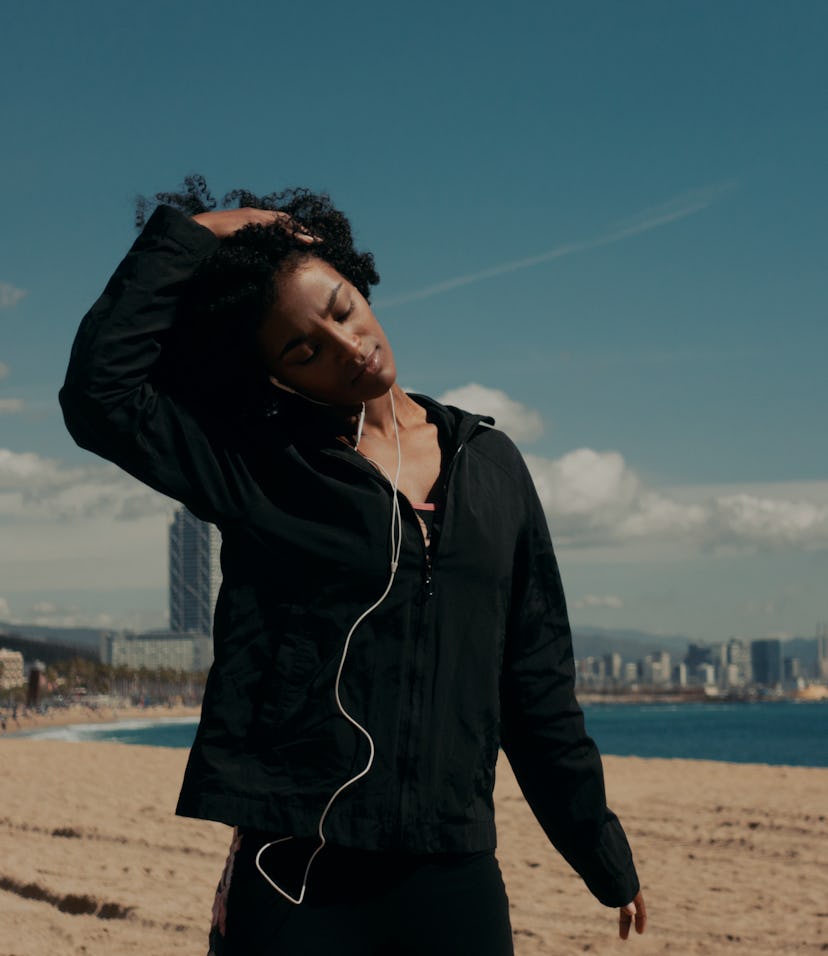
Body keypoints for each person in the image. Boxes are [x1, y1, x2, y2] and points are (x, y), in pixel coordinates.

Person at [60, 176, 646, 955]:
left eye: (342, 311)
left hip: (453, 866)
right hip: (296, 870)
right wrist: (199, 233)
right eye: (306, 350)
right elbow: (101, 394)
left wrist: (600, 852)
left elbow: (534, 683)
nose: (348, 347)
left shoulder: (493, 465)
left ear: (358, 283)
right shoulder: (263, 468)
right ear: (279, 375)